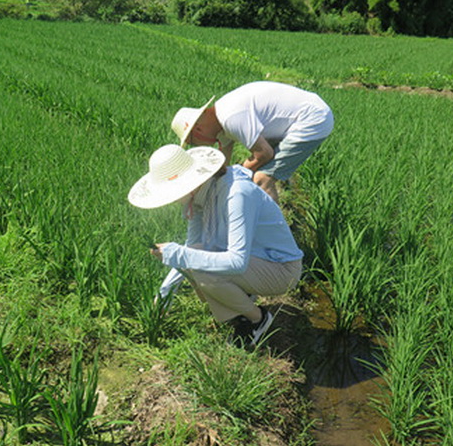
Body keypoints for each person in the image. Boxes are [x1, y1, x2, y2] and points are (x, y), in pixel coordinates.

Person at [128, 144, 303, 346]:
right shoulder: (200, 198)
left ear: (189, 185)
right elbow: (191, 247)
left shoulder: (236, 194)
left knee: (201, 269)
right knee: (195, 262)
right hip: (255, 262)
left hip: (281, 270)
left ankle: (257, 318)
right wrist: (165, 292)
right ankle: (241, 301)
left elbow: (236, 261)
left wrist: (178, 254)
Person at [171, 81, 334, 204]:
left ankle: (275, 240)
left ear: (198, 130)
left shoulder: (230, 118)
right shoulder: (220, 121)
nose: (200, 146)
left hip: (312, 118)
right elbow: (222, 167)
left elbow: (264, 153)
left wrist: (238, 173)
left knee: (262, 178)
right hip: (298, 115)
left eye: (194, 143)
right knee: (249, 174)